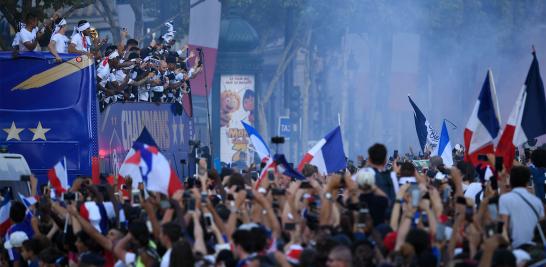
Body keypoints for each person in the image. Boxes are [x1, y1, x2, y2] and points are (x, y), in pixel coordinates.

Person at [499, 166, 545, 250]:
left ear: (511, 181)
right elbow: (542, 224)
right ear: (527, 182)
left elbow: (503, 226)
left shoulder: (505, 199)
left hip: (516, 247)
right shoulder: (537, 201)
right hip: (536, 248)